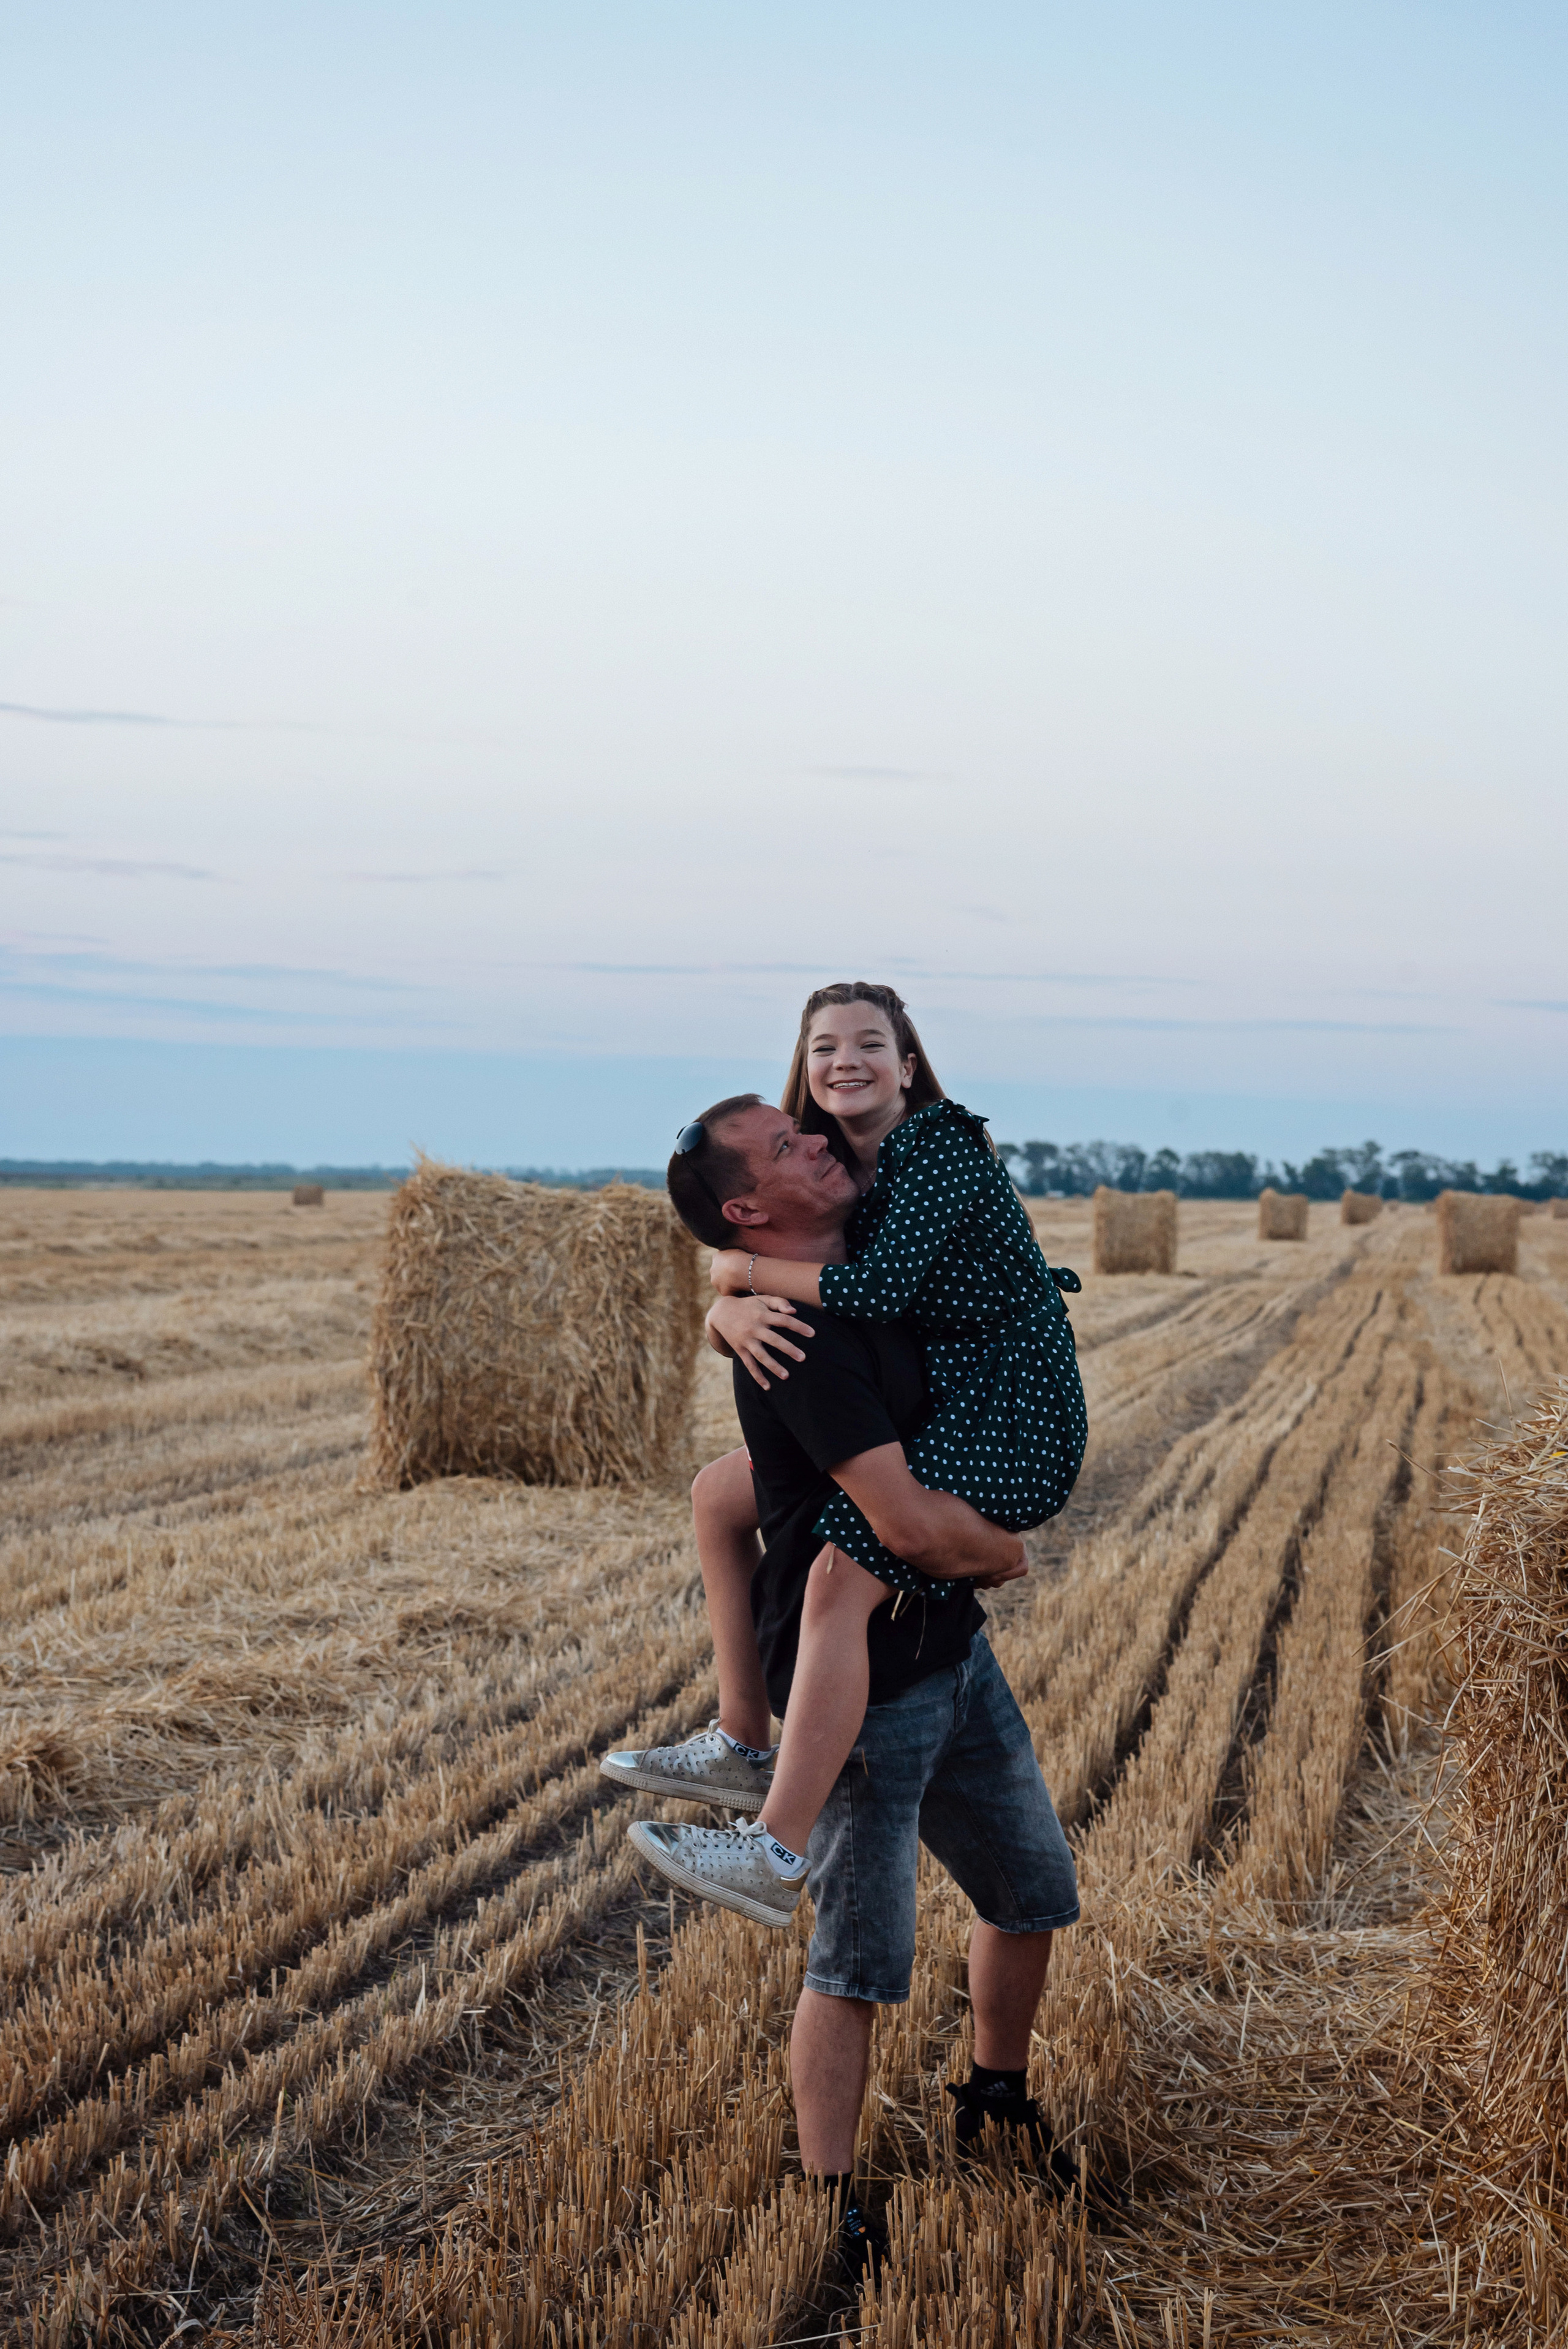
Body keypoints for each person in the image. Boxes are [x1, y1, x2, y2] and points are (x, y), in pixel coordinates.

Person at [600, 1090, 1081, 2268]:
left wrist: (723, 1294)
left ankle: (996, 2100)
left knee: (1033, 1893)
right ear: (758, 1204)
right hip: (867, 1693)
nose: (818, 1129)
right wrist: (1005, 1552)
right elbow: (907, 1525)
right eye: (786, 1142)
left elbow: (729, 1482)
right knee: (856, 1966)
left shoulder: (857, 1259)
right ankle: (830, 2193)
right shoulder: (797, 1343)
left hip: (949, 1653)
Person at [601, 984, 1086, 1910]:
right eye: (825, 1046)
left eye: (872, 1042)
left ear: (909, 1066)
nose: (846, 1060)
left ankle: (776, 1853)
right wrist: (725, 1315)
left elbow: (872, 1286)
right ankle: (744, 1739)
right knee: (718, 1493)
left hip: (1009, 1408)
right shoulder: (857, 1175)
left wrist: (738, 1271)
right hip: (949, 1395)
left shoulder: (936, 1149)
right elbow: (803, 1244)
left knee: (839, 1577)